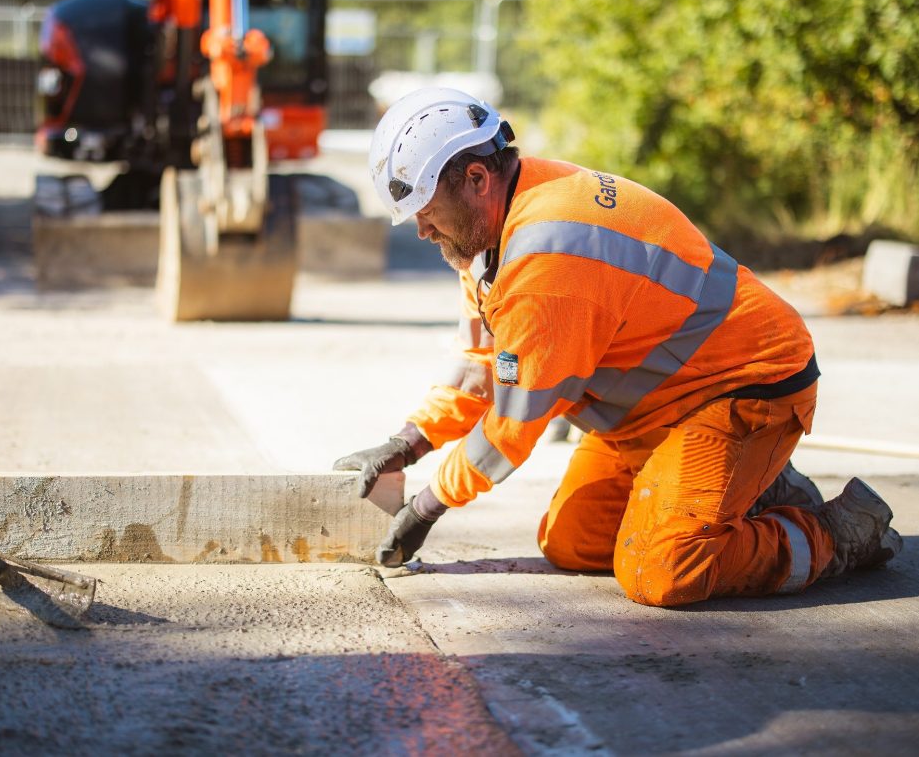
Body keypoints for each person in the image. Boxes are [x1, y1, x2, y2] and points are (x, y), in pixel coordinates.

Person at [334, 87, 902, 607]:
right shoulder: (490, 237)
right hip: (657, 408)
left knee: (661, 570)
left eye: (428, 212)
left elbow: (510, 428)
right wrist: (406, 444)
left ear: (477, 178)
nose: (423, 232)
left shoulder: (546, 259)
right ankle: (753, 490)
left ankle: (836, 535)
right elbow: (480, 366)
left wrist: (426, 506)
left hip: (742, 389)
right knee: (573, 543)